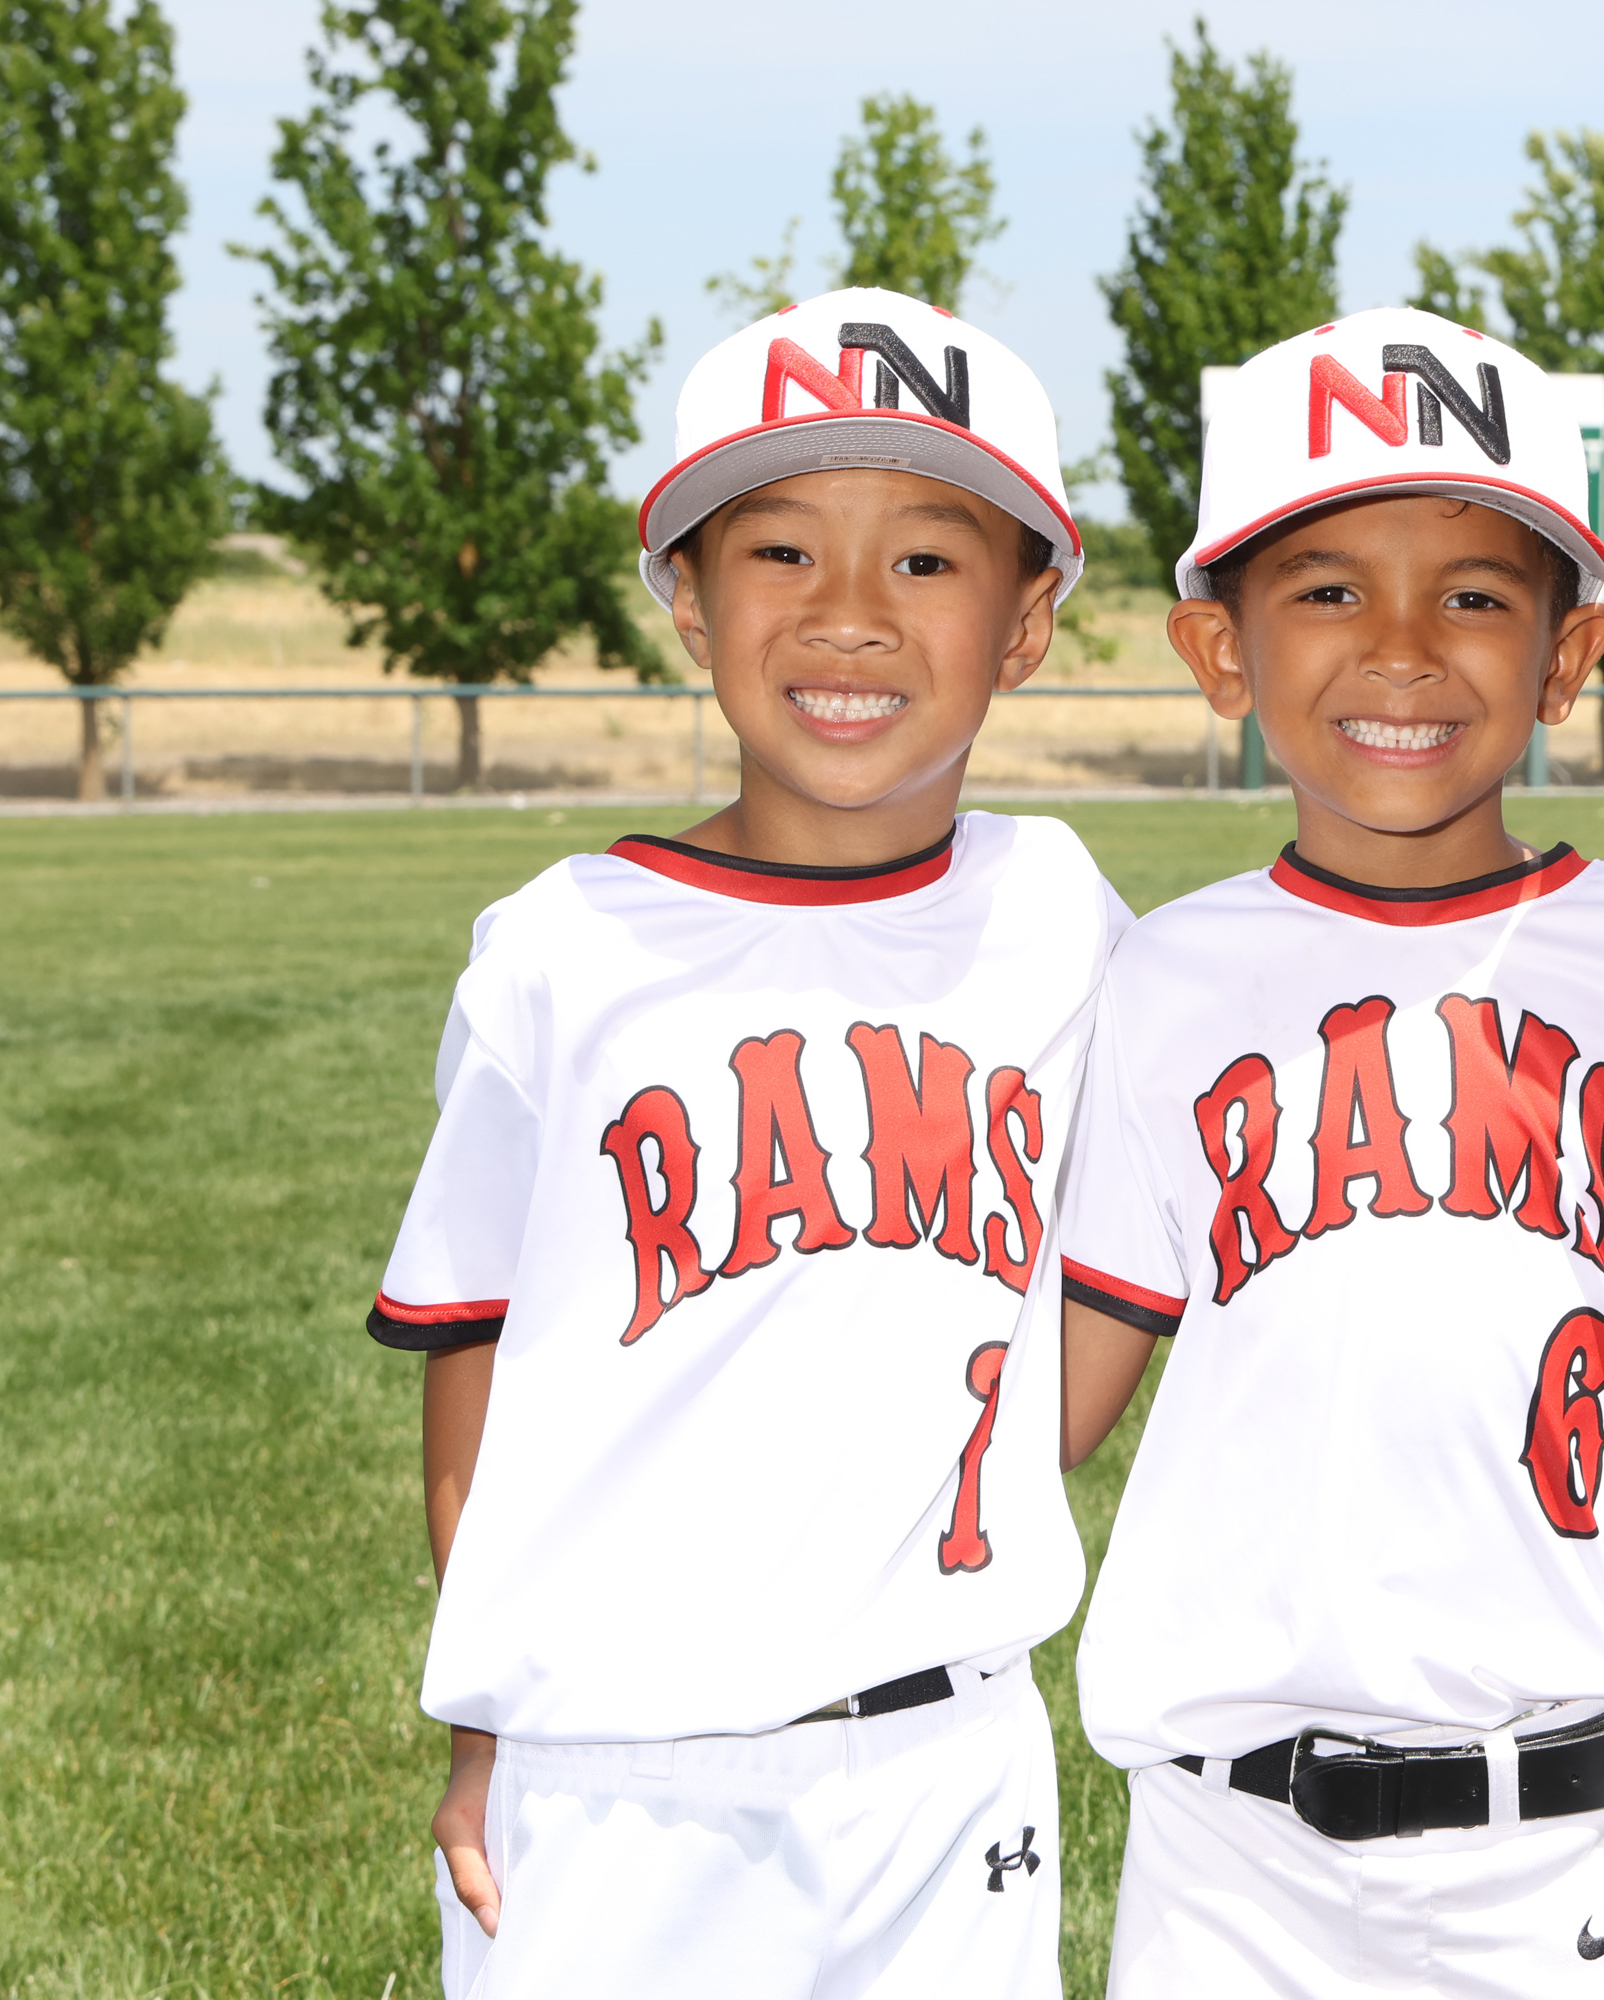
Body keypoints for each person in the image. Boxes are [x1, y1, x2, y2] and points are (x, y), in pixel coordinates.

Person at [366, 288, 1127, 1999]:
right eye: (780, 551)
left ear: (1025, 625)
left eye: (927, 559)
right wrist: (491, 1716)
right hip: (616, 1770)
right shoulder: (561, 947)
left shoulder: (1060, 913)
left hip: (948, 1756)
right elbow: (473, 1342)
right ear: (690, 603)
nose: (849, 613)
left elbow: (1132, 1257)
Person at [1058, 306, 1604, 1997]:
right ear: (1221, 653)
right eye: (1329, 591)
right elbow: (1059, 1394)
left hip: (1564, 1823)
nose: (1402, 652)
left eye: (1475, 597)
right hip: (1228, 1849)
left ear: (1568, 657)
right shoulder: (1164, 974)